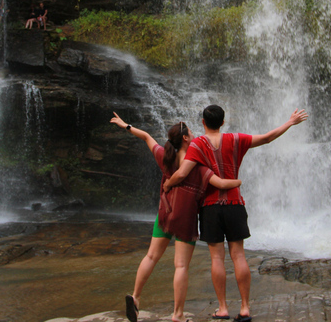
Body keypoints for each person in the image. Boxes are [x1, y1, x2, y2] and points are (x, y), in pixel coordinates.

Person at [163, 105, 308, 322]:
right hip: (234, 203)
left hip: (210, 207)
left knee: (217, 258)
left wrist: (167, 185)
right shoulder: (236, 139)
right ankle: (245, 307)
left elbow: (182, 173)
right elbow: (268, 138)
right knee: (238, 255)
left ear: (203, 122)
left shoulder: (197, 144)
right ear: (223, 122)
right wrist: (290, 122)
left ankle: (222, 308)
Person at [111, 112, 242, 322]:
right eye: (190, 131)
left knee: (151, 257)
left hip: (165, 214)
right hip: (186, 219)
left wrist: (125, 125)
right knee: (181, 266)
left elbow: (146, 136)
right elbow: (220, 183)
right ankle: (178, 314)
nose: (194, 133)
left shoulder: (165, 156)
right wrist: (237, 182)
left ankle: (135, 297)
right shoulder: (198, 167)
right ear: (186, 139)